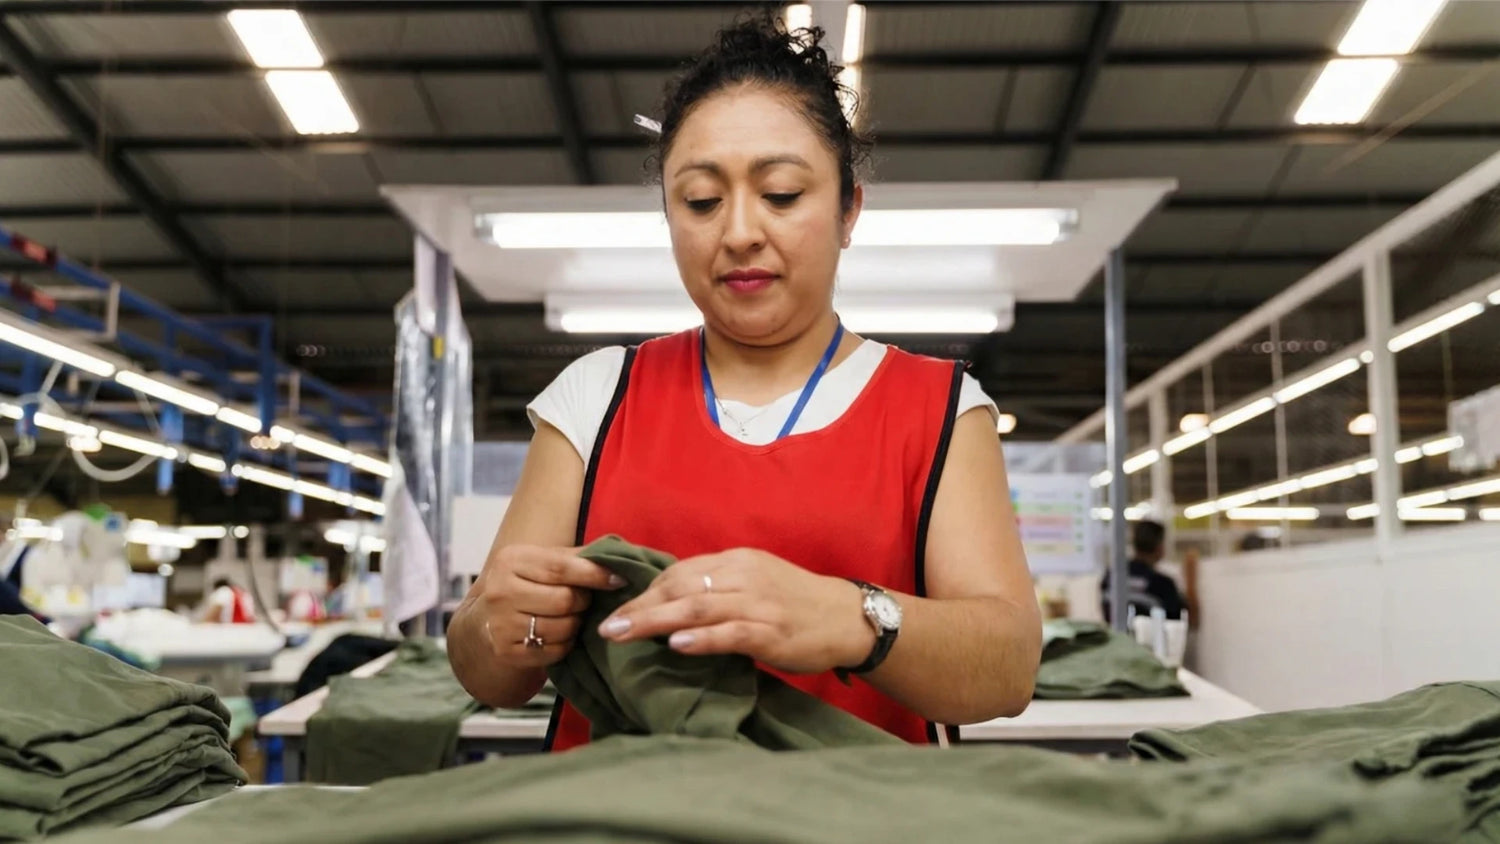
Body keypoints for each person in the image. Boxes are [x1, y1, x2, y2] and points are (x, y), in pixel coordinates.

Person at [448, 16, 1042, 749]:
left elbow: (1008, 667)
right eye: (700, 201)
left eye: (783, 194)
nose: (738, 233)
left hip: (858, 818)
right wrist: (499, 625)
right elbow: (489, 673)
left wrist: (849, 618)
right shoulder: (596, 399)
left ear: (849, 210)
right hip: (623, 819)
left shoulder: (941, 410)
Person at [1100, 520, 1199, 624]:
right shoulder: (1162, 584)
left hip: (1118, 639)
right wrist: (1190, 579)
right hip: (1150, 640)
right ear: (1159, 546)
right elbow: (1188, 622)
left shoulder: (1112, 575)